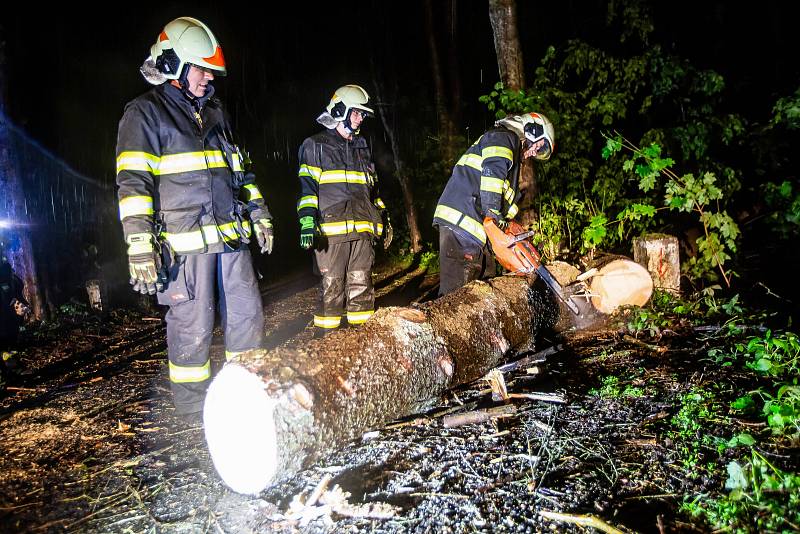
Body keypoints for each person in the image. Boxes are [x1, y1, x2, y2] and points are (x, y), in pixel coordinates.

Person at [115, 17, 273, 416]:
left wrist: (259, 213)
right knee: (192, 325)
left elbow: (240, 172)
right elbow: (133, 184)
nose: (208, 78)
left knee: (248, 315)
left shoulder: (217, 113)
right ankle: (192, 410)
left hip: (231, 239)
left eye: (210, 71)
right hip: (184, 247)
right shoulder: (144, 114)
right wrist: (138, 245)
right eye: (201, 69)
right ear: (173, 66)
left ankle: (246, 394)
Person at [296, 85, 391, 336]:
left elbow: (373, 191)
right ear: (340, 110)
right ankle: (326, 346)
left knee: (362, 287)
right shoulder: (315, 145)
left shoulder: (361, 147)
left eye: (362, 114)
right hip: (332, 236)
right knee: (332, 291)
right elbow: (307, 189)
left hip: (362, 232)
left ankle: (362, 342)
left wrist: (384, 217)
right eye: (356, 113)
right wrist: (307, 221)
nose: (361, 119)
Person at [433, 112, 555, 296]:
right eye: (537, 147)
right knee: (455, 297)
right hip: (464, 223)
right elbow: (492, 173)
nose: (533, 153)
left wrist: (507, 226)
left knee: (483, 291)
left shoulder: (511, 159)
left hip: (478, 229)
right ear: (532, 129)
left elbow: (502, 199)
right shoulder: (503, 136)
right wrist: (493, 216)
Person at [0, 258, 29, 388]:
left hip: (9, 319)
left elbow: (17, 292)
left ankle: (11, 372)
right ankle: (8, 373)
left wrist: (23, 306)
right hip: (7, 320)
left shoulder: (9, 274)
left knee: (9, 345)